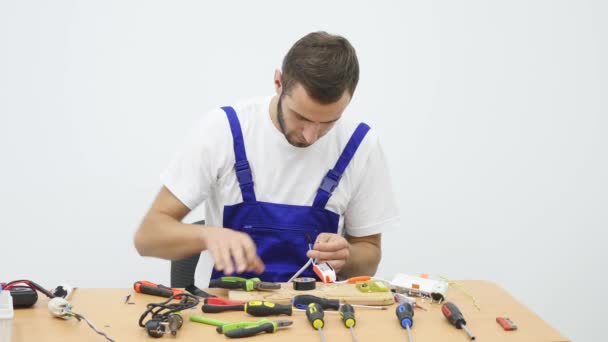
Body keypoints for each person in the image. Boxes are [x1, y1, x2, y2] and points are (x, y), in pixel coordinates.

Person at [134, 31, 399, 283]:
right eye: (302, 117)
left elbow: (369, 254)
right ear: (278, 82)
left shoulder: (360, 145)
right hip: (224, 312)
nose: (310, 136)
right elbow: (148, 237)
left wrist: (348, 256)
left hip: (316, 315)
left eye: (328, 122)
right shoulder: (224, 130)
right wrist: (207, 235)